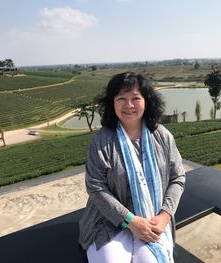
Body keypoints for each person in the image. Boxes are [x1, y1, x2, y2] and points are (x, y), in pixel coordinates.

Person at [79, 72, 186, 263]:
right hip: (108, 222)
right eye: (121, 98)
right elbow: (95, 187)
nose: (129, 105)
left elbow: (177, 178)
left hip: (152, 219)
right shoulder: (102, 141)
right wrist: (129, 220)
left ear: (147, 101)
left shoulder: (162, 136)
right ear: (112, 103)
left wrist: (164, 216)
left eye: (136, 98)